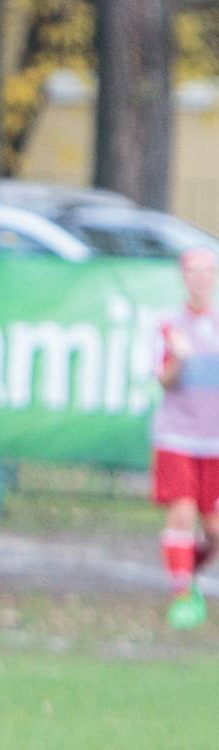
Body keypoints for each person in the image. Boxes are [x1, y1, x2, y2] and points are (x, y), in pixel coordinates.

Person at [152, 245, 219, 629]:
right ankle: (181, 596)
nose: (201, 279)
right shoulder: (168, 323)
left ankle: (185, 570)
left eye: (208, 272)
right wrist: (179, 358)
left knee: (213, 532)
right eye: (194, 272)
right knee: (182, 511)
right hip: (178, 437)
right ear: (184, 277)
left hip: (214, 442)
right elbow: (163, 380)